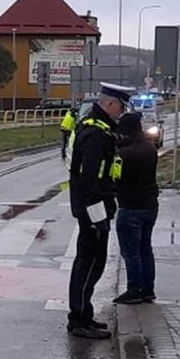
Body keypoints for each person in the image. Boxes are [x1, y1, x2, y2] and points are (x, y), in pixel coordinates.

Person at [67, 83, 133, 339]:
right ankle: (78, 319)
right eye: (120, 107)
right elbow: (89, 180)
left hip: (95, 208)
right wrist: (96, 219)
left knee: (93, 262)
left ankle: (84, 314)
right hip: (93, 211)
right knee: (89, 263)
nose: (122, 112)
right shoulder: (95, 134)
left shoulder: (99, 128)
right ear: (109, 104)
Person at [111, 112, 159, 305]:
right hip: (150, 205)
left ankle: (134, 290)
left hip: (130, 206)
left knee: (131, 252)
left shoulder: (123, 154)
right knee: (146, 249)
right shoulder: (150, 148)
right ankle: (148, 289)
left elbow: (116, 178)